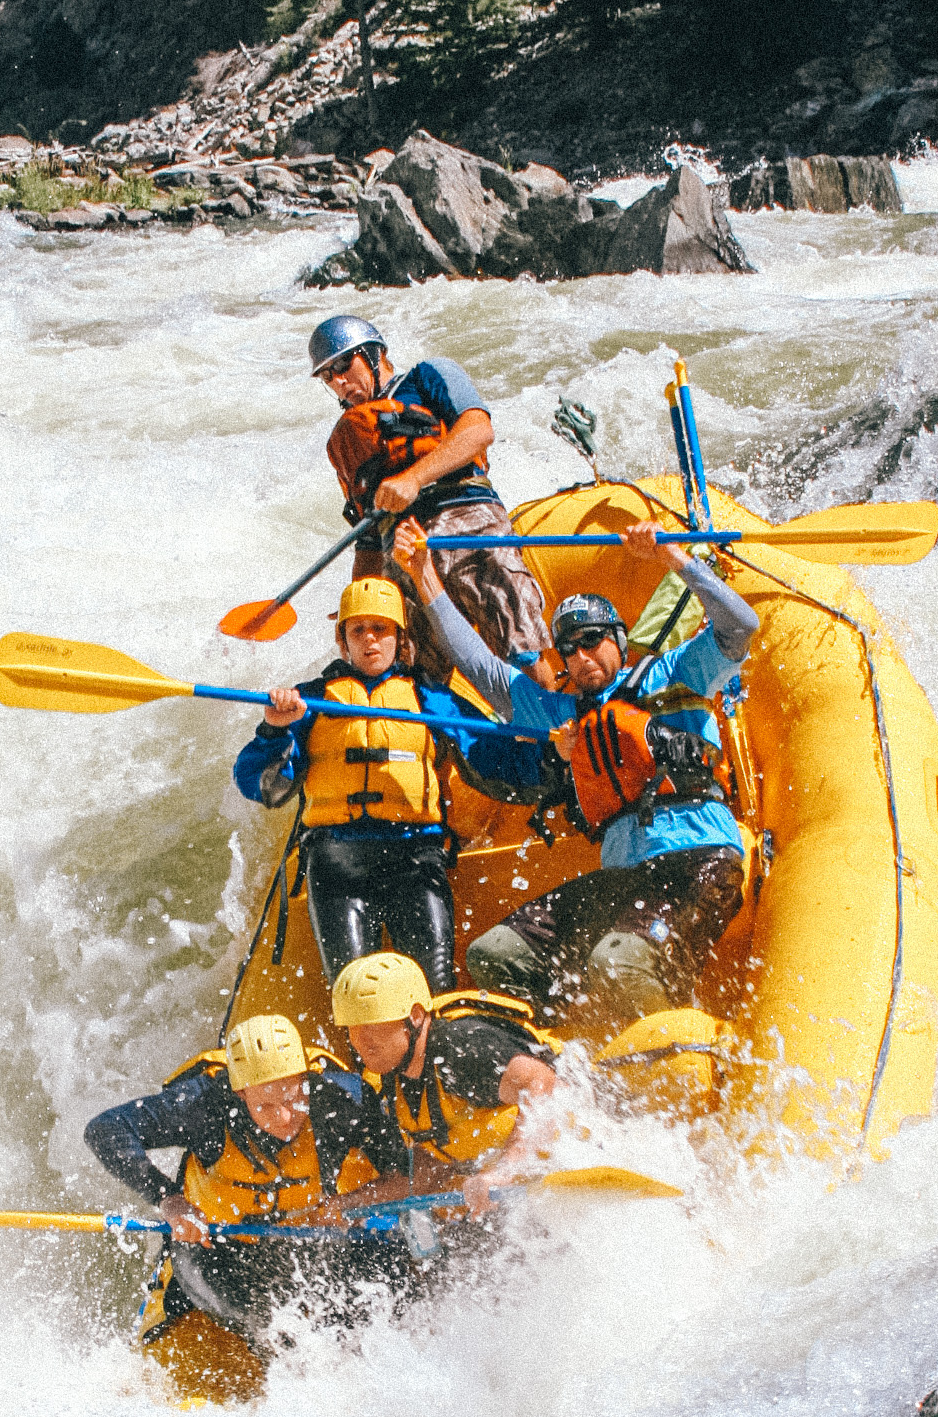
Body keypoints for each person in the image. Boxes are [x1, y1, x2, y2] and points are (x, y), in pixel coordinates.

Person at [393, 516, 759, 1021]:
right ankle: (560, 1054)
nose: (581, 656)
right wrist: (423, 573)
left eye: (592, 641)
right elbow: (479, 664)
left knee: (620, 961)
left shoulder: (677, 671)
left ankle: (673, 1058)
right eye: (568, 648)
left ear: (620, 642)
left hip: (699, 862)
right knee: (496, 953)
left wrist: (673, 557)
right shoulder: (563, 714)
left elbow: (741, 625)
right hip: (628, 880)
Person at [83, 1012, 404, 1354]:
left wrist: (347, 1203)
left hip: (306, 1243)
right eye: (265, 1106)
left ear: (303, 1078)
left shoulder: (341, 1101)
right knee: (261, 1320)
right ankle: (269, 1343)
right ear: (240, 1092)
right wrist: (170, 1201)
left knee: (391, 1267)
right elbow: (105, 1130)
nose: (283, 1118)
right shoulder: (202, 1105)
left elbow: (401, 1176)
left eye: (292, 1099)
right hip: (215, 1248)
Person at [233, 576, 462, 993]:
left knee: (437, 989)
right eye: (358, 630)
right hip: (338, 861)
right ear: (343, 643)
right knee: (355, 995)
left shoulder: (431, 699)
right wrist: (271, 731)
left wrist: (554, 752)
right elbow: (257, 785)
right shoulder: (309, 701)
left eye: (381, 629)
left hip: (415, 855)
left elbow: (492, 758)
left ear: (399, 637)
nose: (370, 640)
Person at [306, 316, 550, 678]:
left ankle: (553, 730)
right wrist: (360, 597)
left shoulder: (427, 376)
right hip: (401, 550)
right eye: (328, 376)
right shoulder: (347, 440)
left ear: (375, 354)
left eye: (344, 365)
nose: (339, 381)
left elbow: (478, 429)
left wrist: (413, 478)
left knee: (521, 649)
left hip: (468, 524)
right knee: (417, 679)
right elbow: (367, 535)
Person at [329, 952, 561, 1217]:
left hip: (575, 1151)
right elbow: (429, 1168)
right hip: (521, 1185)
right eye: (351, 1027)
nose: (360, 1040)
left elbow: (546, 1086)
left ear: (415, 1016)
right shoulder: (391, 1076)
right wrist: (344, 1207)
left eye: (372, 1023)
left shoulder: (460, 1049)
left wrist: (503, 1173)